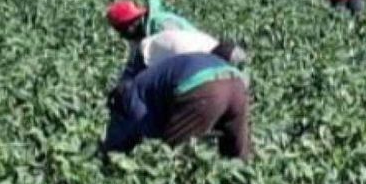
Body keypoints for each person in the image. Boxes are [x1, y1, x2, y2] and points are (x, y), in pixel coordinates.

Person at [101, 52, 253, 160]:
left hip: (203, 87)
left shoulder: (130, 97)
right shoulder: (146, 81)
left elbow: (144, 125)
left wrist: (112, 153)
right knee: (236, 155)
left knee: (173, 157)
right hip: (236, 82)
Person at [105, 0, 245, 84]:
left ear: (131, 24)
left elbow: (178, 51)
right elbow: (134, 63)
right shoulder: (140, 34)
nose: (122, 36)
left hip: (207, 61)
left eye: (121, 31)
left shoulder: (162, 24)